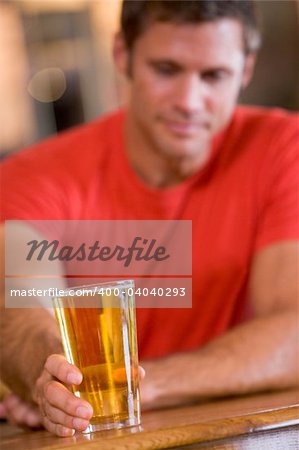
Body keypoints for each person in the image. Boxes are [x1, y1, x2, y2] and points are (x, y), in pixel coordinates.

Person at [0, 0, 298, 438]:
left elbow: (293, 331)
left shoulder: (282, 149)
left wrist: (130, 386)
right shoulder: (33, 175)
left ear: (246, 70)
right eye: (166, 69)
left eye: (213, 75)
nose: (189, 101)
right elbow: (20, 311)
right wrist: (49, 382)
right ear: (123, 55)